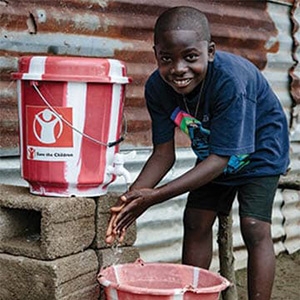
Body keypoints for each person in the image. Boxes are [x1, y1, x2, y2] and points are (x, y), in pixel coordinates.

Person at [105, 6, 290, 300]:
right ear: (156, 54)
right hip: (216, 156)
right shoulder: (157, 87)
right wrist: (134, 196)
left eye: (191, 57)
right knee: (195, 221)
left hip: (260, 150)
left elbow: (220, 160)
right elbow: (163, 154)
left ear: (211, 52)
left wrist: (153, 197)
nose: (178, 69)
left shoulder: (230, 81)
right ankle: (194, 296)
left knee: (255, 228)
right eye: (167, 59)